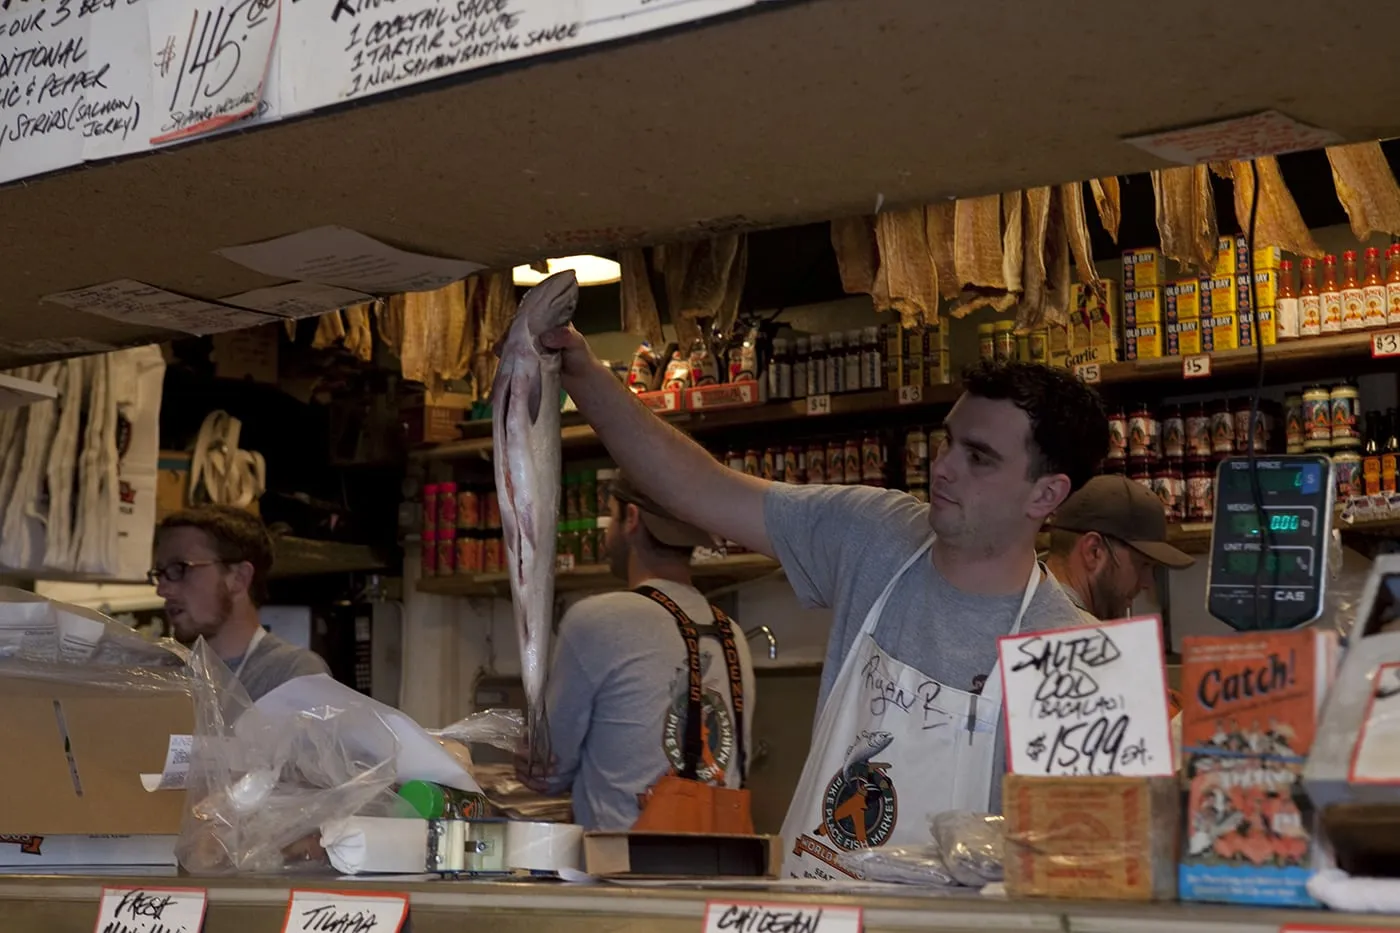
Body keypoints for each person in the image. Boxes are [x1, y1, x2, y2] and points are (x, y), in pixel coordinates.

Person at [537, 317, 1109, 879]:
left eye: (979, 457)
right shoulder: (874, 535)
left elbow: (1081, 867)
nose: (944, 467)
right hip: (812, 913)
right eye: (948, 442)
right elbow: (695, 486)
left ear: (1046, 493)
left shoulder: (1075, 654)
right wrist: (583, 373)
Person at [517, 474, 756, 832]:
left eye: (609, 515)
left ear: (631, 519)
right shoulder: (732, 635)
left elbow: (547, 773)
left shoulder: (597, 621)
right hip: (720, 872)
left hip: (624, 874)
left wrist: (528, 757)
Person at [151, 506, 329, 699]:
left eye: (179, 569)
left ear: (239, 578)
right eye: (160, 573)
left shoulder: (292, 674)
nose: (162, 590)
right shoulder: (166, 677)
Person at [1044, 474, 1195, 622]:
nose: (1147, 582)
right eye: (1143, 564)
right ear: (1093, 551)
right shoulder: (1081, 638)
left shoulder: (1030, 606)